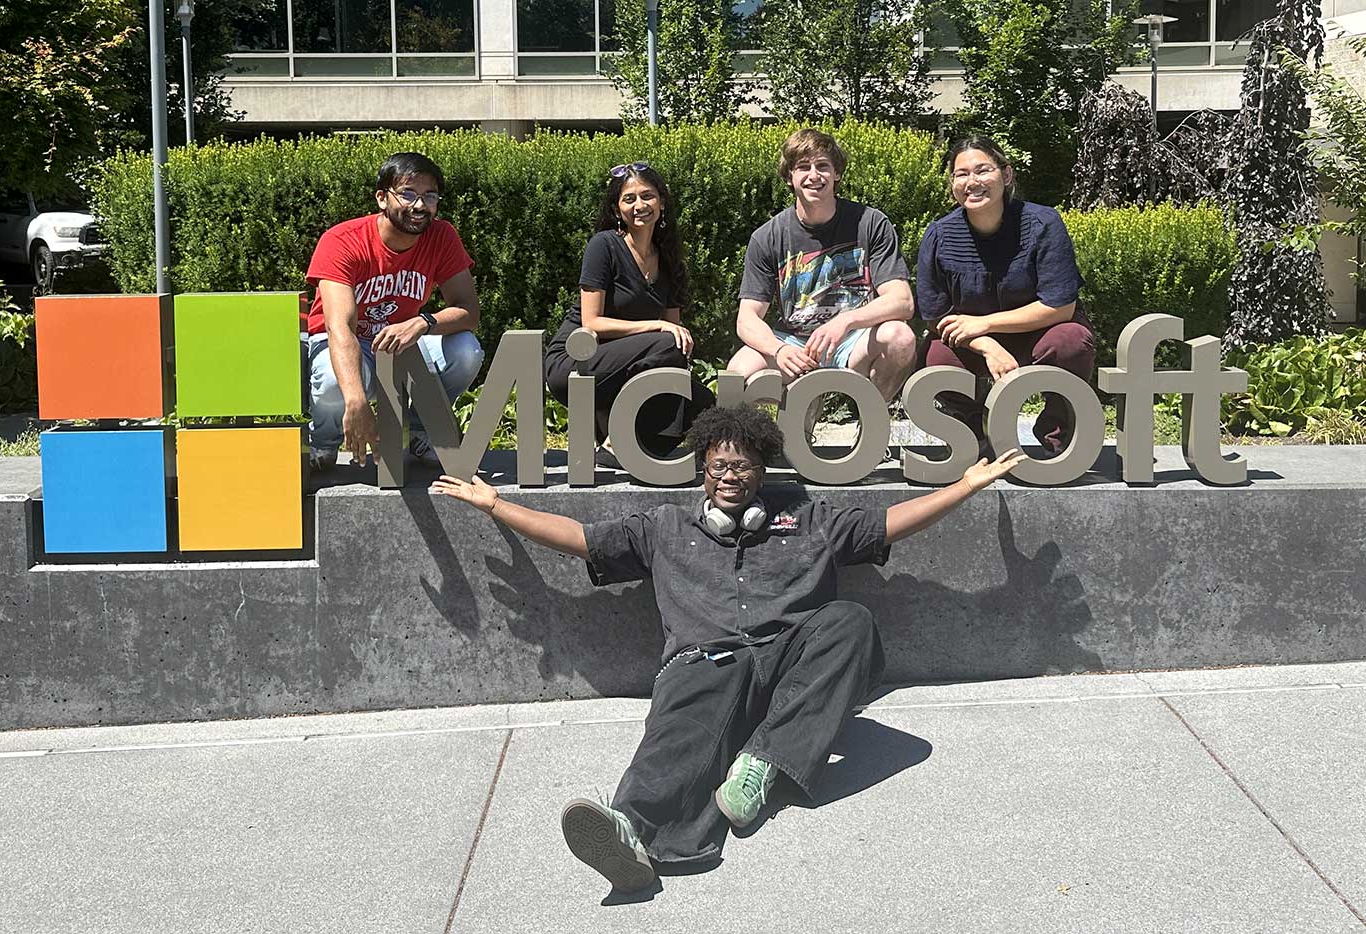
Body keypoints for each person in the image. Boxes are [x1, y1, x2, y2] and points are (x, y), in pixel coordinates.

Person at [432, 405, 1023, 892]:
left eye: (742, 467)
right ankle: (630, 835)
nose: (730, 477)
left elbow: (889, 523)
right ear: (702, 472)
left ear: (761, 473)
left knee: (850, 622)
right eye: (718, 467)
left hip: (790, 662)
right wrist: (496, 505)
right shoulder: (663, 527)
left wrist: (964, 486)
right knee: (680, 731)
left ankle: (762, 765)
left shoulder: (808, 518)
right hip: (707, 662)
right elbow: (583, 541)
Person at [915, 136, 1096, 455]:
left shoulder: (1043, 223)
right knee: (934, 357)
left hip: (1039, 333)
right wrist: (986, 343)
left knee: (1071, 340)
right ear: (952, 183)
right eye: (961, 174)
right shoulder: (940, 234)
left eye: (982, 170)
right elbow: (934, 315)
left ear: (1007, 175)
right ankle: (971, 425)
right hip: (974, 343)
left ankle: (1059, 428)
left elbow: (1060, 306)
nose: (972, 181)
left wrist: (984, 323)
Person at [306, 152, 485, 471]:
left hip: (402, 349)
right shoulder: (342, 241)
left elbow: (468, 311)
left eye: (429, 196)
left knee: (467, 350)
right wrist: (357, 399)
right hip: (351, 346)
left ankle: (423, 431)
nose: (420, 205)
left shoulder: (441, 236)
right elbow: (339, 327)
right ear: (381, 198)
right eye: (408, 194)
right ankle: (325, 440)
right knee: (335, 380)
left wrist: (423, 322)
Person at [728, 128, 918, 416]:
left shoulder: (870, 222)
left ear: (837, 174)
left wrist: (846, 321)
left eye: (823, 166)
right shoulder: (768, 237)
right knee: (738, 374)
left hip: (854, 340)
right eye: (803, 167)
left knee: (900, 338)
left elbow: (901, 301)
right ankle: (800, 414)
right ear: (789, 177)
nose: (813, 175)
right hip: (795, 341)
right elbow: (747, 319)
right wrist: (778, 351)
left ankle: (870, 422)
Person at [543, 162, 714, 465]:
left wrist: (665, 336)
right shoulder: (604, 246)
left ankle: (620, 442)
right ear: (616, 208)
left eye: (647, 196)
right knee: (665, 342)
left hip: (627, 365)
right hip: (578, 360)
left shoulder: (669, 260)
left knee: (701, 400)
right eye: (629, 198)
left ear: (661, 201)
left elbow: (674, 344)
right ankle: (618, 441)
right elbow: (591, 322)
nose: (639, 205)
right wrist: (656, 326)